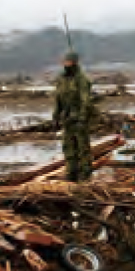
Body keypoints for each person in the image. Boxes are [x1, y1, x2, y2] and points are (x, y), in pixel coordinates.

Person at [52, 52, 93, 182]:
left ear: (75, 62)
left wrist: (82, 117)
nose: (66, 62)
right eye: (65, 60)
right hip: (67, 119)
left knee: (82, 149)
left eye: (69, 60)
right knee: (68, 149)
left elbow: (85, 100)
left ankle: (85, 176)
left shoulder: (81, 79)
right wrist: (56, 117)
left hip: (79, 119)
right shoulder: (61, 79)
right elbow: (57, 99)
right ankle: (71, 175)